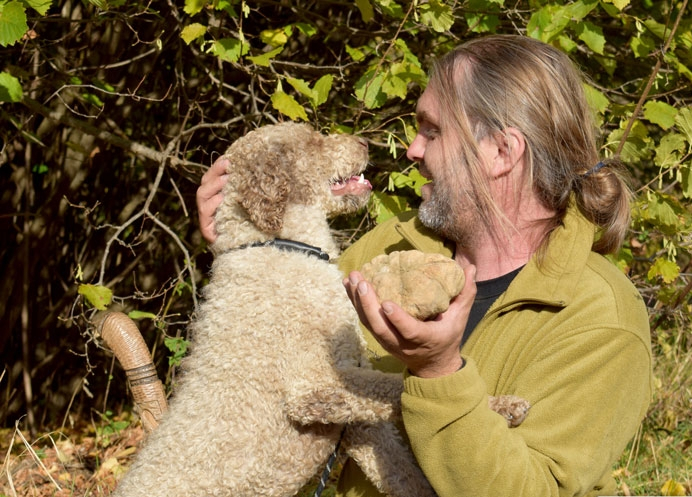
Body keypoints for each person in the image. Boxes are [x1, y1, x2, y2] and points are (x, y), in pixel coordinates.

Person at [197, 34, 652, 497]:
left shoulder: (599, 319)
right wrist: (248, 245)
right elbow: (271, 367)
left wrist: (438, 372)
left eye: (432, 131)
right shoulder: (393, 245)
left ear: (501, 151)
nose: (413, 150)